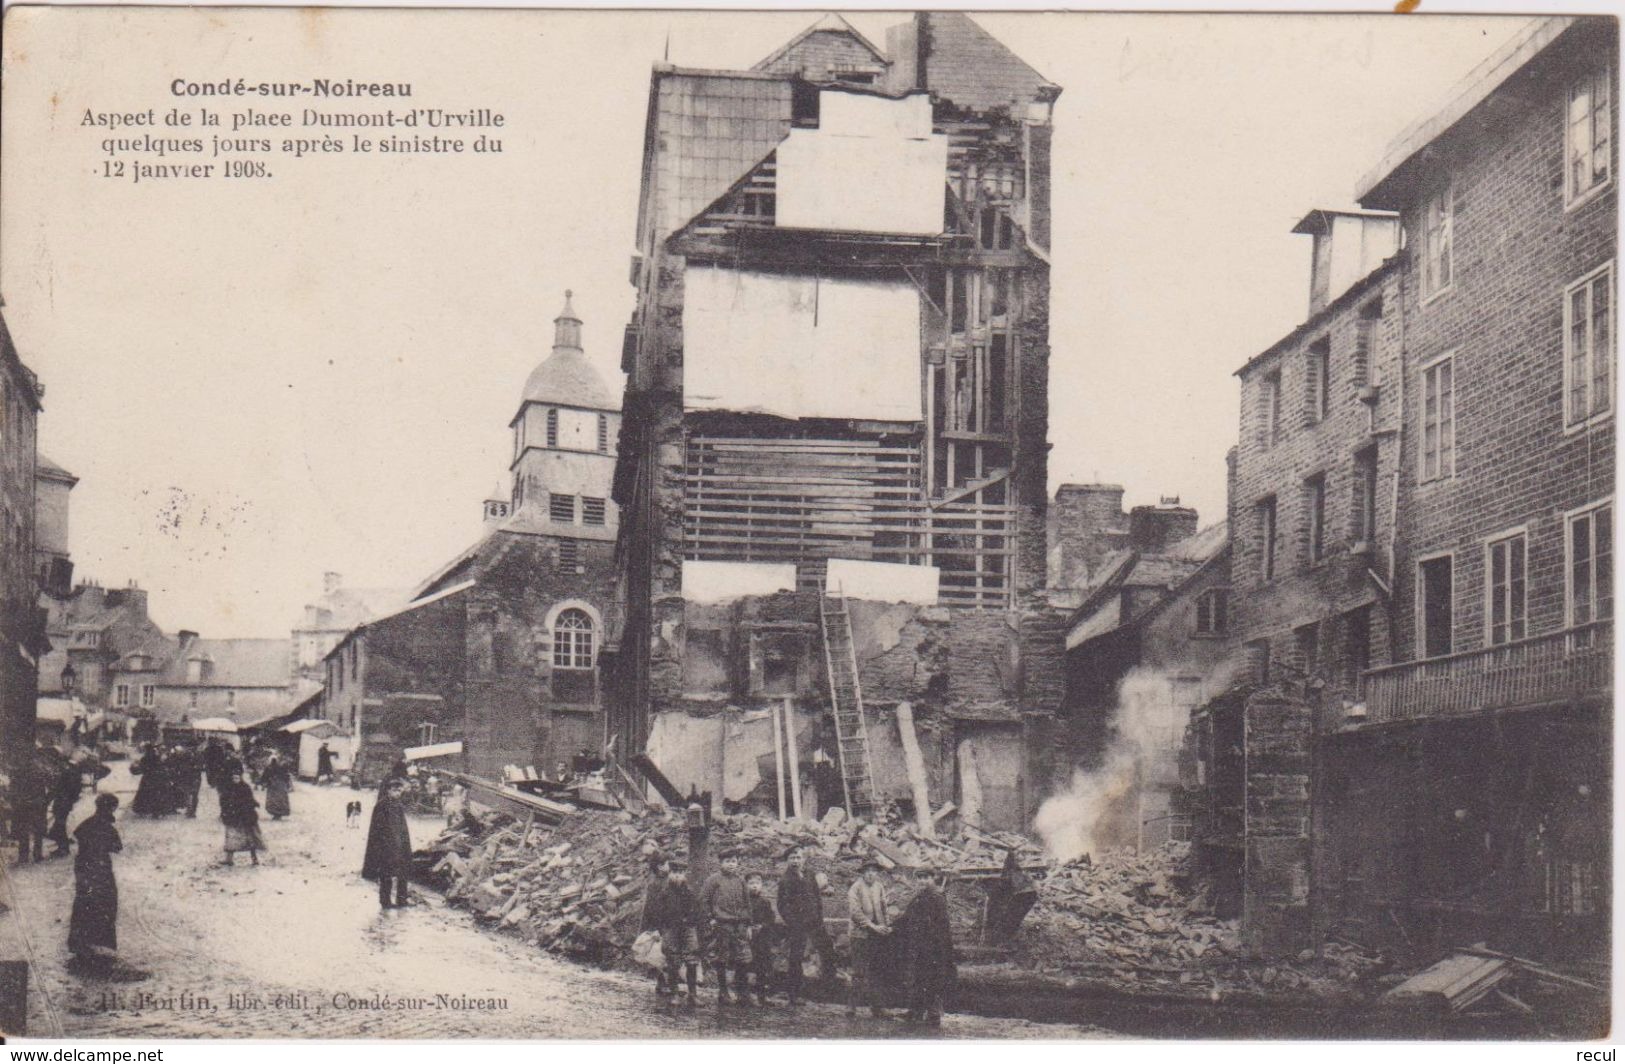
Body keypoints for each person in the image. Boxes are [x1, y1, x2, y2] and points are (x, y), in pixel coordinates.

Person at [777, 844, 838, 1005]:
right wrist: (793, 923)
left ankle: (828, 989)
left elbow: (817, 898)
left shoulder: (810, 874)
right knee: (796, 957)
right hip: (798, 925)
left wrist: (819, 917)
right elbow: (782, 906)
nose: (796, 861)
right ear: (787, 860)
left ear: (803, 859)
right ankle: (794, 993)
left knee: (827, 951)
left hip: (815, 922)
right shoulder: (785, 880)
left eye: (798, 857)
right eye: (792, 858)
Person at [68, 793, 123, 967]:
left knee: (84, 902)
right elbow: (117, 847)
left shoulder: (86, 824)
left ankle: (80, 943)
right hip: (101, 869)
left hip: (84, 867)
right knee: (105, 902)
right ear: (111, 808)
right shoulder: (107, 827)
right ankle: (100, 943)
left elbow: (78, 836)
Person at [899, 867, 956, 1027]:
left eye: (926, 877)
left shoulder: (937, 898)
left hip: (933, 949)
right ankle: (915, 1011)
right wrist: (892, 928)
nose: (923, 881)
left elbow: (943, 926)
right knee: (917, 978)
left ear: (933, 878)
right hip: (918, 947)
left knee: (932, 980)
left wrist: (941, 949)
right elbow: (906, 919)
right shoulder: (918, 898)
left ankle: (933, 1014)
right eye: (920, 878)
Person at [698, 849, 753, 1005]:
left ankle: (742, 993)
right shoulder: (713, 880)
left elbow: (747, 903)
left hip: (739, 925)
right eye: (727, 861)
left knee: (742, 958)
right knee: (722, 957)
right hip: (722, 924)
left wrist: (748, 923)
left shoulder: (740, 881)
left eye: (734, 861)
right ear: (720, 863)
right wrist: (711, 919)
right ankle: (723, 992)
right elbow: (703, 901)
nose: (731, 864)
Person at [846, 858, 893, 1018]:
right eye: (867, 871)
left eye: (874, 871)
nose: (871, 874)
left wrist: (886, 925)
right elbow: (855, 913)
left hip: (878, 935)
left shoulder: (879, 887)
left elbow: (884, 907)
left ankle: (877, 1007)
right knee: (859, 971)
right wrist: (873, 926)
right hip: (860, 935)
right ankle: (851, 1006)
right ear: (863, 873)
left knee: (877, 971)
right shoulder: (855, 888)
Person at [362, 776, 413, 908]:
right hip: (386, 846)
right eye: (395, 790)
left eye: (400, 791)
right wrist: (382, 846)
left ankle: (402, 900)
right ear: (389, 790)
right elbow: (377, 829)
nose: (398, 793)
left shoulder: (399, 806)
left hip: (399, 845)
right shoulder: (381, 806)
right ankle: (385, 901)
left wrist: (404, 844)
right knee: (386, 874)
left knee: (403, 872)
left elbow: (403, 828)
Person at [745, 872, 780, 1006]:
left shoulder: (765, 902)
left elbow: (770, 919)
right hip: (747, 938)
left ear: (762, 886)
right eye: (751, 883)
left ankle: (762, 995)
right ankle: (744, 994)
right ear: (746, 885)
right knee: (745, 965)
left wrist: (762, 926)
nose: (754, 887)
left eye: (757, 883)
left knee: (763, 966)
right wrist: (748, 926)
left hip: (762, 939)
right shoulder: (743, 901)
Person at [218, 767, 264, 866]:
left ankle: (254, 859)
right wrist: (224, 812)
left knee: (250, 839)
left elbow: (250, 799)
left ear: (241, 778)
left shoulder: (245, 787)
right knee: (231, 838)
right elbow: (223, 801)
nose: (235, 780)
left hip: (245, 817)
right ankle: (229, 859)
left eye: (237, 778)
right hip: (232, 817)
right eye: (234, 778)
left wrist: (254, 804)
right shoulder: (228, 788)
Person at [47, 757, 82, 857]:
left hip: (62, 803)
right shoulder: (73, 774)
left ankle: (63, 849)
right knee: (60, 826)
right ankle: (63, 847)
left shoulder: (67, 774)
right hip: (65, 803)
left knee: (60, 826)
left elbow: (59, 789)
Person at [129, 743, 168, 817]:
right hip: (157, 778)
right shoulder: (157, 757)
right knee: (157, 795)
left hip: (147, 779)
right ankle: (156, 811)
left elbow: (142, 769)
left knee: (146, 795)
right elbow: (161, 767)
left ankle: (144, 810)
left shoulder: (144, 758)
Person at [170, 743, 203, 818]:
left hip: (192, 777)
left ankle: (192, 811)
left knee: (192, 794)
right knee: (189, 794)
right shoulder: (191, 755)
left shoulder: (194, 755)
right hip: (190, 777)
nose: (191, 748)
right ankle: (190, 811)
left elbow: (179, 765)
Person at [261, 753, 292, 820]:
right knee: (280, 800)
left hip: (273, 785)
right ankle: (278, 814)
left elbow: (264, 776)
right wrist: (287, 785)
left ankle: (276, 814)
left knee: (273, 800)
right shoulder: (280, 767)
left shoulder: (269, 767)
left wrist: (264, 783)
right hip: (280, 786)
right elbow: (286, 776)